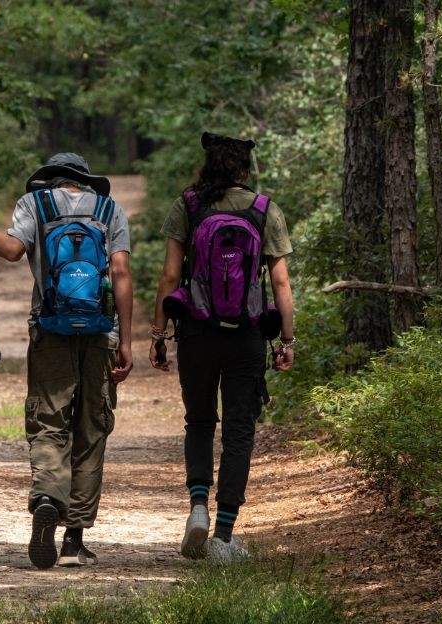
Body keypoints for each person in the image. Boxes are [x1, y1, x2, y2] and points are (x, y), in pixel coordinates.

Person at [0, 153, 134, 569]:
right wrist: (127, 342)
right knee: (92, 427)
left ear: (49, 179)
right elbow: (120, 272)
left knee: (49, 421)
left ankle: (47, 497)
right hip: (101, 332)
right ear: (85, 180)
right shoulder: (109, 209)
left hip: (50, 329)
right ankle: (73, 541)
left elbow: (12, 250)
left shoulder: (35, 204)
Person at [149, 132, 295, 561]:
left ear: (207, 166)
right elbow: (281, 282)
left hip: (197, 332)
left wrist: (158, 334)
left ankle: (198, 507)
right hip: (246, 336)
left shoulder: (189, 206)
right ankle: (224, 536)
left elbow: (169, 276)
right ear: (244, 170)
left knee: (198, 422)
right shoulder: (264, 209)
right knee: (238, 431)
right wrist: (286, 340)